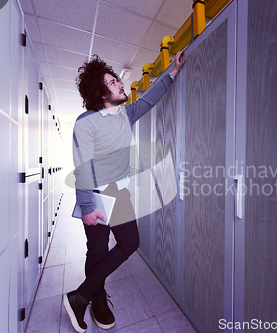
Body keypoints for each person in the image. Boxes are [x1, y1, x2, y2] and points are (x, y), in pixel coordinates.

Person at [63, 50, 186, 332]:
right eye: (113, 81)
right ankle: (97, 300)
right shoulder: (86, 122)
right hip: (95, 195)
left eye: (118, 79)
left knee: (130, 243)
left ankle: (80, 296)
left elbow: (149, 99)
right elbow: (81, 165)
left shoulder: (126, 114)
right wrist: (86, 207)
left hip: (119, 194)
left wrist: (173, 72)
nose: (120, 83)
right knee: (96, 251)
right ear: (100, 91)